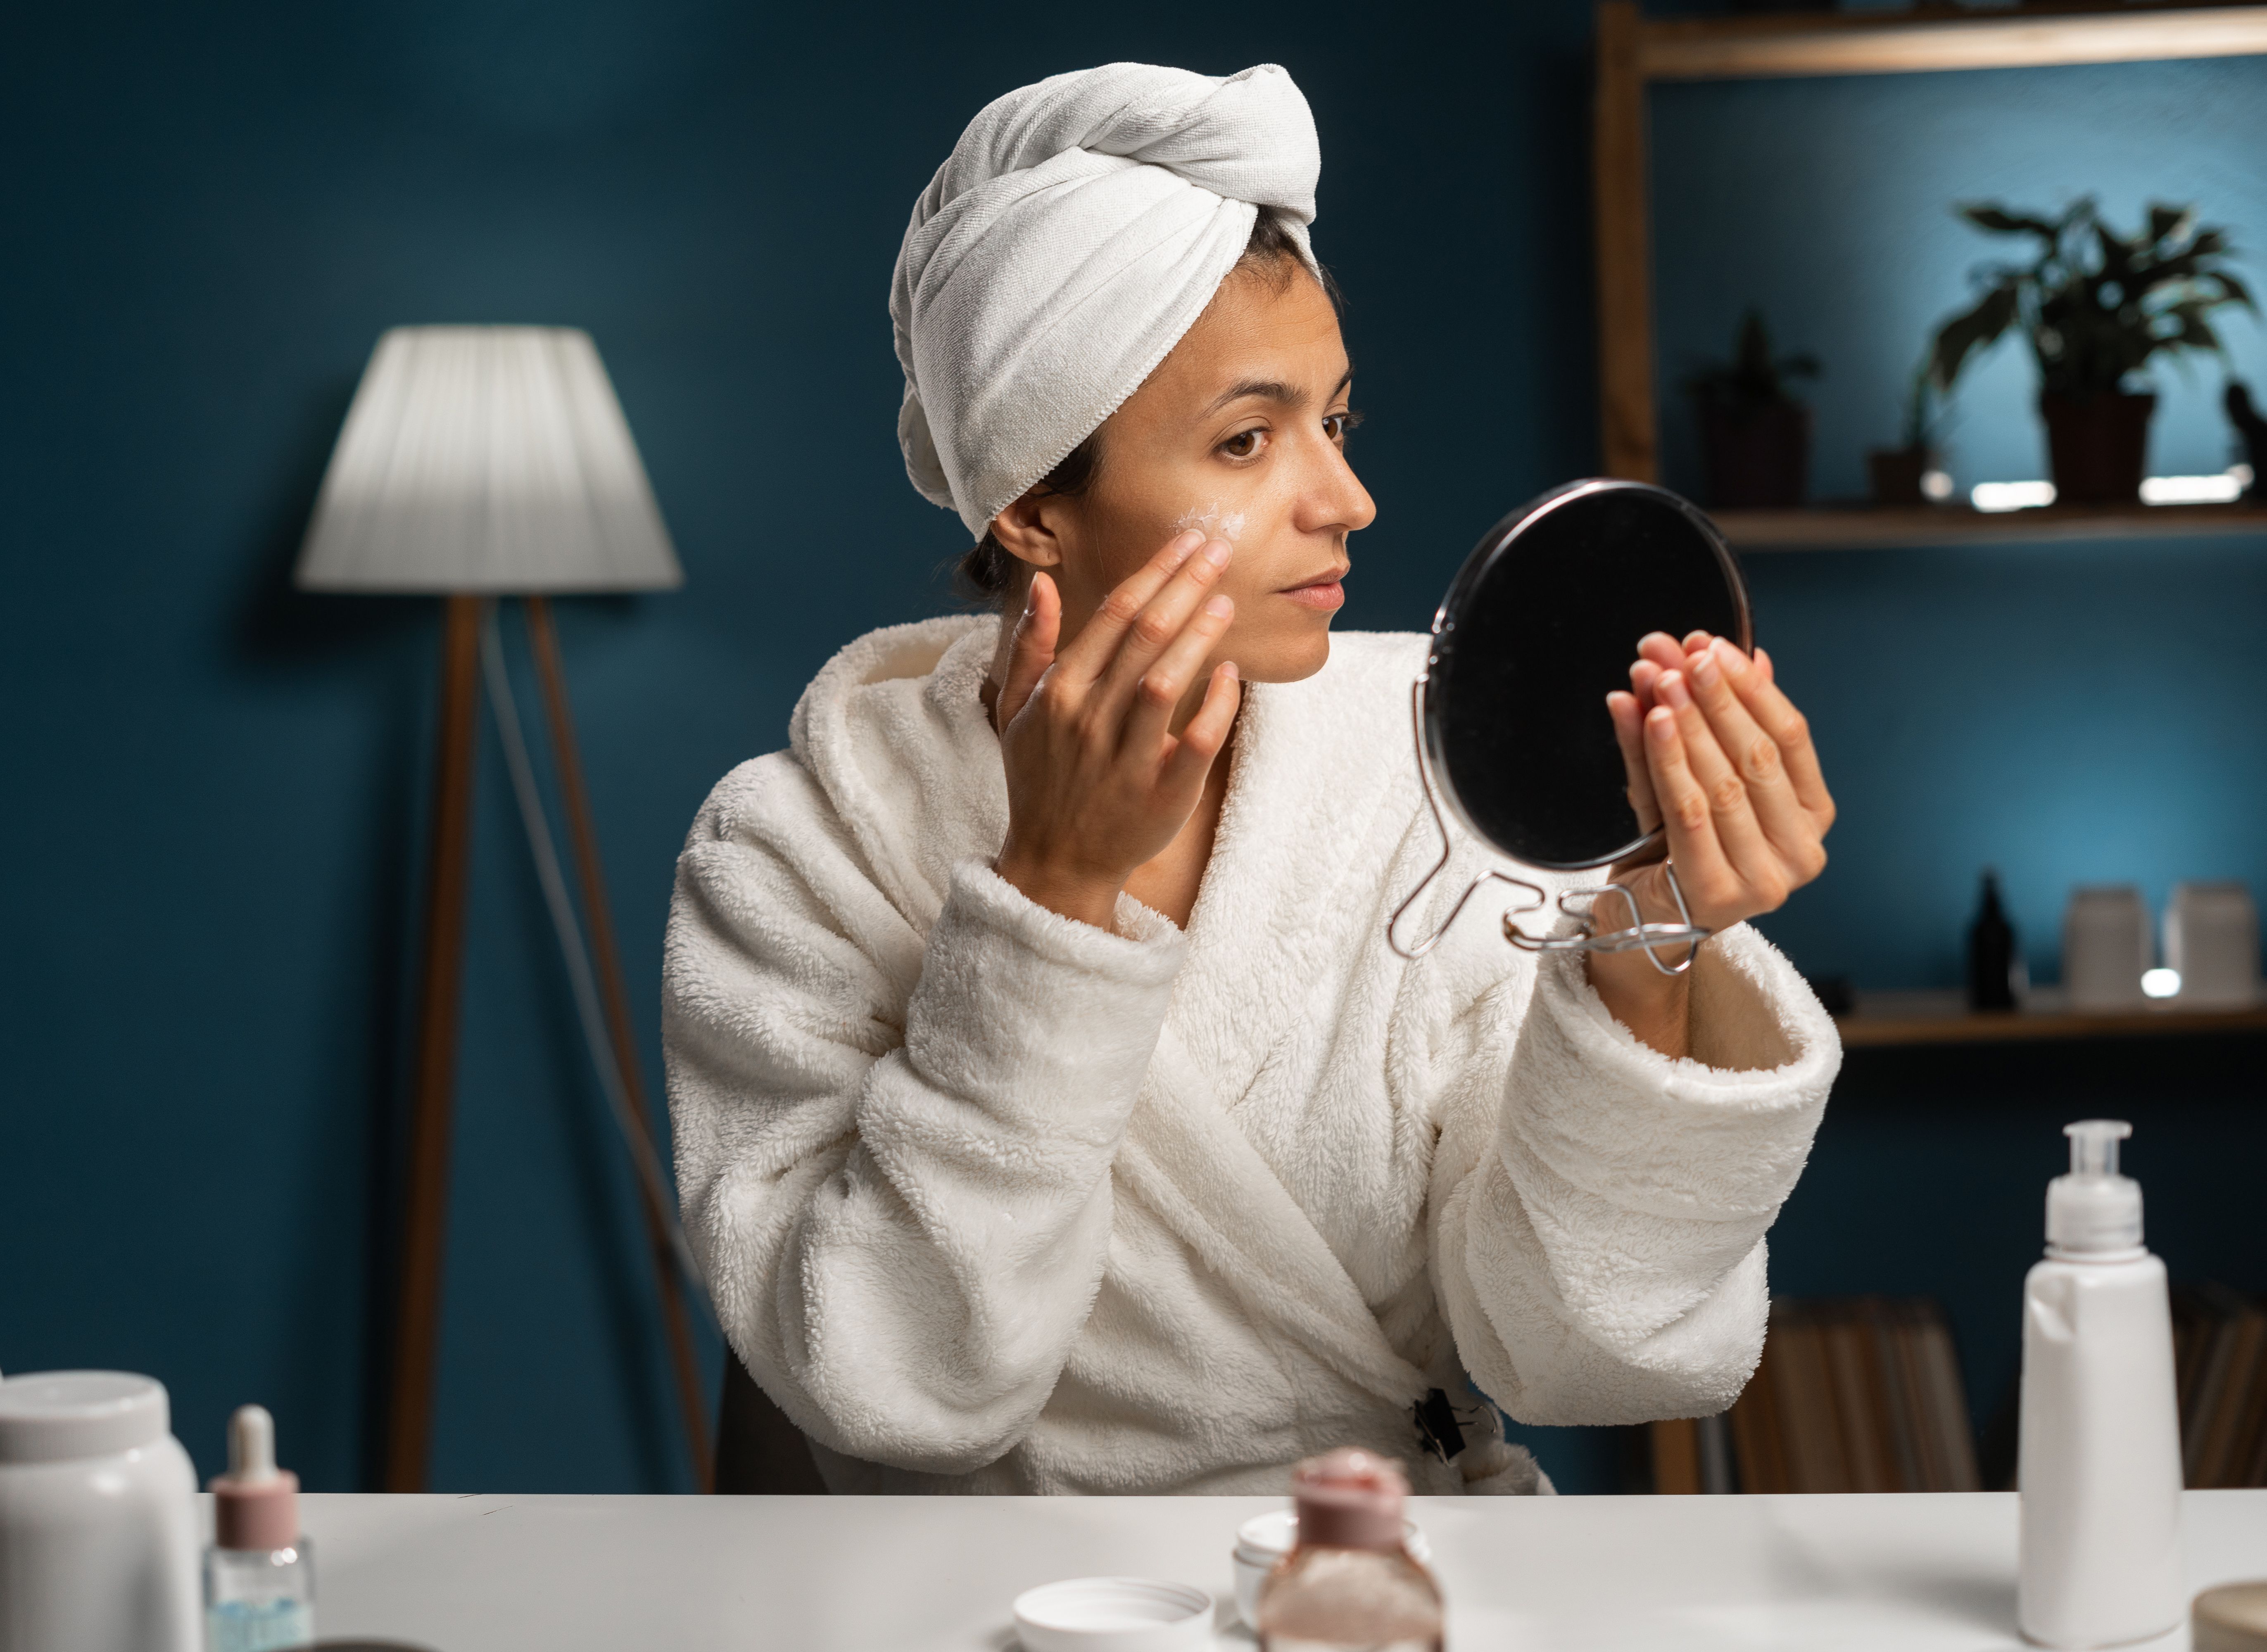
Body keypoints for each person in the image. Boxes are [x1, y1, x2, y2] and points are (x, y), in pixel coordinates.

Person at [663, 62, 1841, 1495]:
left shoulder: (1428, 770)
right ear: (1033, 506)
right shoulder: (798, 853)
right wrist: (1051, 897)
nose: (1346, 501)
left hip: (1394, 1570)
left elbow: (1584, 1355)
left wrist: (1656, 936)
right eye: (1245, 439)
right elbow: (896, 1381)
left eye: (1334, 424)